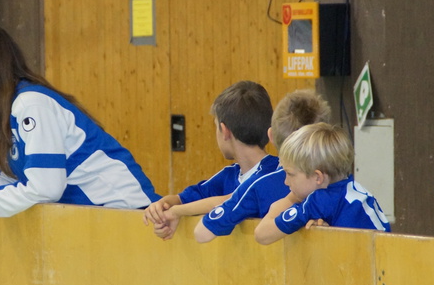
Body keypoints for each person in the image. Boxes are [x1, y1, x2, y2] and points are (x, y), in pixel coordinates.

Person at [0, 23, 160, 226]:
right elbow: (13, 181)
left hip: (127, 212)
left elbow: (45, 188)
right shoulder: (8, 110)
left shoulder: (32, 105)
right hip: (93, 215)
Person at [142, 81, 277, 240]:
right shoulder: (228, 175)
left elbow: (235, 199)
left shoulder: (277, 172)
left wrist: (177, 211)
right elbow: (183, 199)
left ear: (225, 131)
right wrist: (161, 207)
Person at [193, 89, 331, 243]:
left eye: (290, 175)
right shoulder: (344, 184)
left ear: (270, 135)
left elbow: (201, 233)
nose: (286, 182)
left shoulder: (262, 184)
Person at [254, 123, 390, 245]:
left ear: (318, 177)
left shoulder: (320, 200)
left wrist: (292, 199)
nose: (286, 181)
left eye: (290, 174)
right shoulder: (352, 189)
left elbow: (262, 234)